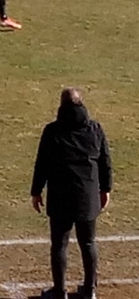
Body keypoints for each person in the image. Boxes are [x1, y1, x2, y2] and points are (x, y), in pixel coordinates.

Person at [31, 88, 113, 299]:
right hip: (87, 196)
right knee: (88, 242)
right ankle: (90, 290)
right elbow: (105, 162)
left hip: (60, 196)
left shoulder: (52, 131)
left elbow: (42, 164)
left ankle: (60, 292)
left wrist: (36, 191)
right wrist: (106, 189)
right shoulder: (95, 129)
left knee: (59, 244)